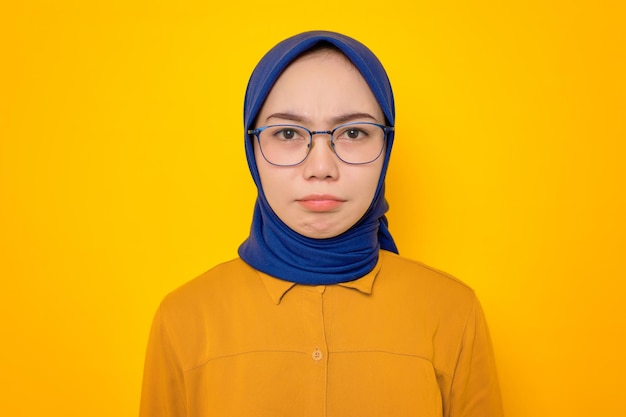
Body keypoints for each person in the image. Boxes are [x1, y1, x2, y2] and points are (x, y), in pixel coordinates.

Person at [139, 31, 503, 417]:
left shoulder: (452, 312)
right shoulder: (184, 319)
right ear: (252, 147)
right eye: (288, 133)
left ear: (387, 146)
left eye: (353, 133)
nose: (321, 168)